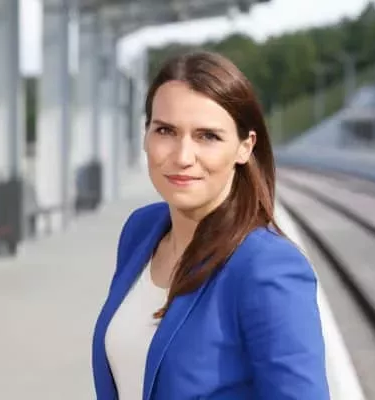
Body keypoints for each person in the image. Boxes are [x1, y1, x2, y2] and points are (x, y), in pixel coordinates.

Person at [92, 50, 329, 400]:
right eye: (166, 131)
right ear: (146, 135)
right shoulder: (140, 231)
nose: (182, 157)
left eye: (208, 136)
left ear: (244, 147)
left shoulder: (267, 267)